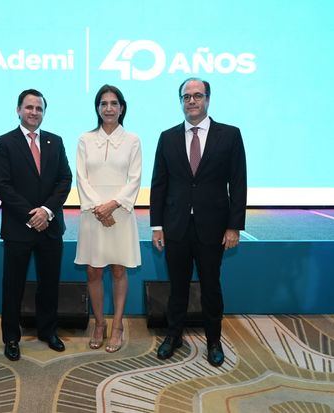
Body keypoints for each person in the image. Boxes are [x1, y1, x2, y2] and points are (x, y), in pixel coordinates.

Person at [150, 78, 247, 366]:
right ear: (180, 101)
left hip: (213, 228)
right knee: (177, 287)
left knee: (211, 287)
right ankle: (173, 335)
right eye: (186, 97)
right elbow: (159, 184)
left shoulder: (229, 135)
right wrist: (157, 226)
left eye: (197, 96)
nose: (191, 101)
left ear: (207, 99)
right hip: (176, 225)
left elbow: (238, 184)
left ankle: (214, 341)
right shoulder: (167, 137)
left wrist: (234, 226)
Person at [0, 89, 72, 361]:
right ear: (18, 110)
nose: (34, 112)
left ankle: (47, 331)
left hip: (50, 226)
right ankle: (11, 338)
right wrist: (31, 214)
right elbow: (1, 184)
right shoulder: (4, 143)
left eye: (39, 108)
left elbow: (65, 180)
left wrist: (47, 211)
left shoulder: (55, 141)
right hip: (19, 228)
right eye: (29, 107)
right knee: (12, 285)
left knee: (49, 284)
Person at [74, 85, 141, 353]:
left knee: (118, 269)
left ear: (122, 108)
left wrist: (112, 205)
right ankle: (99, 324)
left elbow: (135, 178)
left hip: (121, 214)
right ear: (98, 108)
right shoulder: (85, 139)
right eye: (104, 103)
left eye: (114, 103)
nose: (109, 108)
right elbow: (81, 177)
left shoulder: (133, 139)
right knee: (93, 270)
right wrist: (98, 209)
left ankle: (117, 326)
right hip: (93, 215)